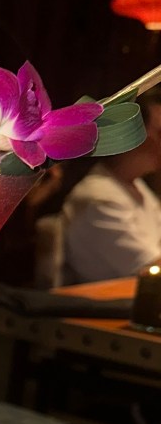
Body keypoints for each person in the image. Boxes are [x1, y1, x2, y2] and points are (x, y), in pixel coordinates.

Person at [61, 86, 161, 283]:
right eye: (160, 133)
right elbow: (151, 269)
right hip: (114, 301)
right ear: (132, 137)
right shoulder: (98, 198)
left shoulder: (135, 186)